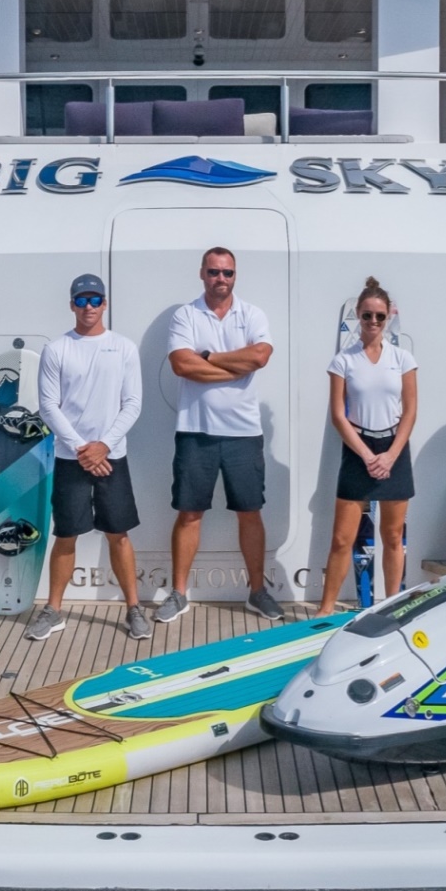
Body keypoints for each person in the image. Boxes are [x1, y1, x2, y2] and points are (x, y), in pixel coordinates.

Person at [157, 247, 280, 624]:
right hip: (195, 431)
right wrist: (233, 367)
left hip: (244, 432)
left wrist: (207, 357)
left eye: (227, 272)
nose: (220, 279)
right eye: (213, 272)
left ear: (235, 275)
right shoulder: (186, 315)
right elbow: (181, 364)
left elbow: (259, 357)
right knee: (189, 513)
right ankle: (179, 593)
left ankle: (257, 592)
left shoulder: (252, 314)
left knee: (250, 513)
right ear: (202, 274)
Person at [25, 273, 149, 642]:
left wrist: (103, 446)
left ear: (104, 304)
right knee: (66, 535)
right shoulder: (57, 349)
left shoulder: (123, 347)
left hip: (111, 458)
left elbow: (133, 403)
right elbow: (49, 405)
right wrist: (83, 449)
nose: (88, 307)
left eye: (95, 300)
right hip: (71, 459)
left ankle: (133, 608)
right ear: (71, 305)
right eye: (81, 300)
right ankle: (54, 610)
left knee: (118, 535)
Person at [315, 277, 418, 616]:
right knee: (342, 539)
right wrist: (368, 455)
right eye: (367, 315)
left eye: (380, 316)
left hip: (394, 449)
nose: (373, 322)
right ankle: (325, 612)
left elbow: (410, 411)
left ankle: (392, 607)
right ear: (357, 316)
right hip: (358, 449)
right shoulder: (343, 361)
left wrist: (390, 455)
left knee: (393, 537)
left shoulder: (403, 358)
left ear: (388, 318)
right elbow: (338, 415)